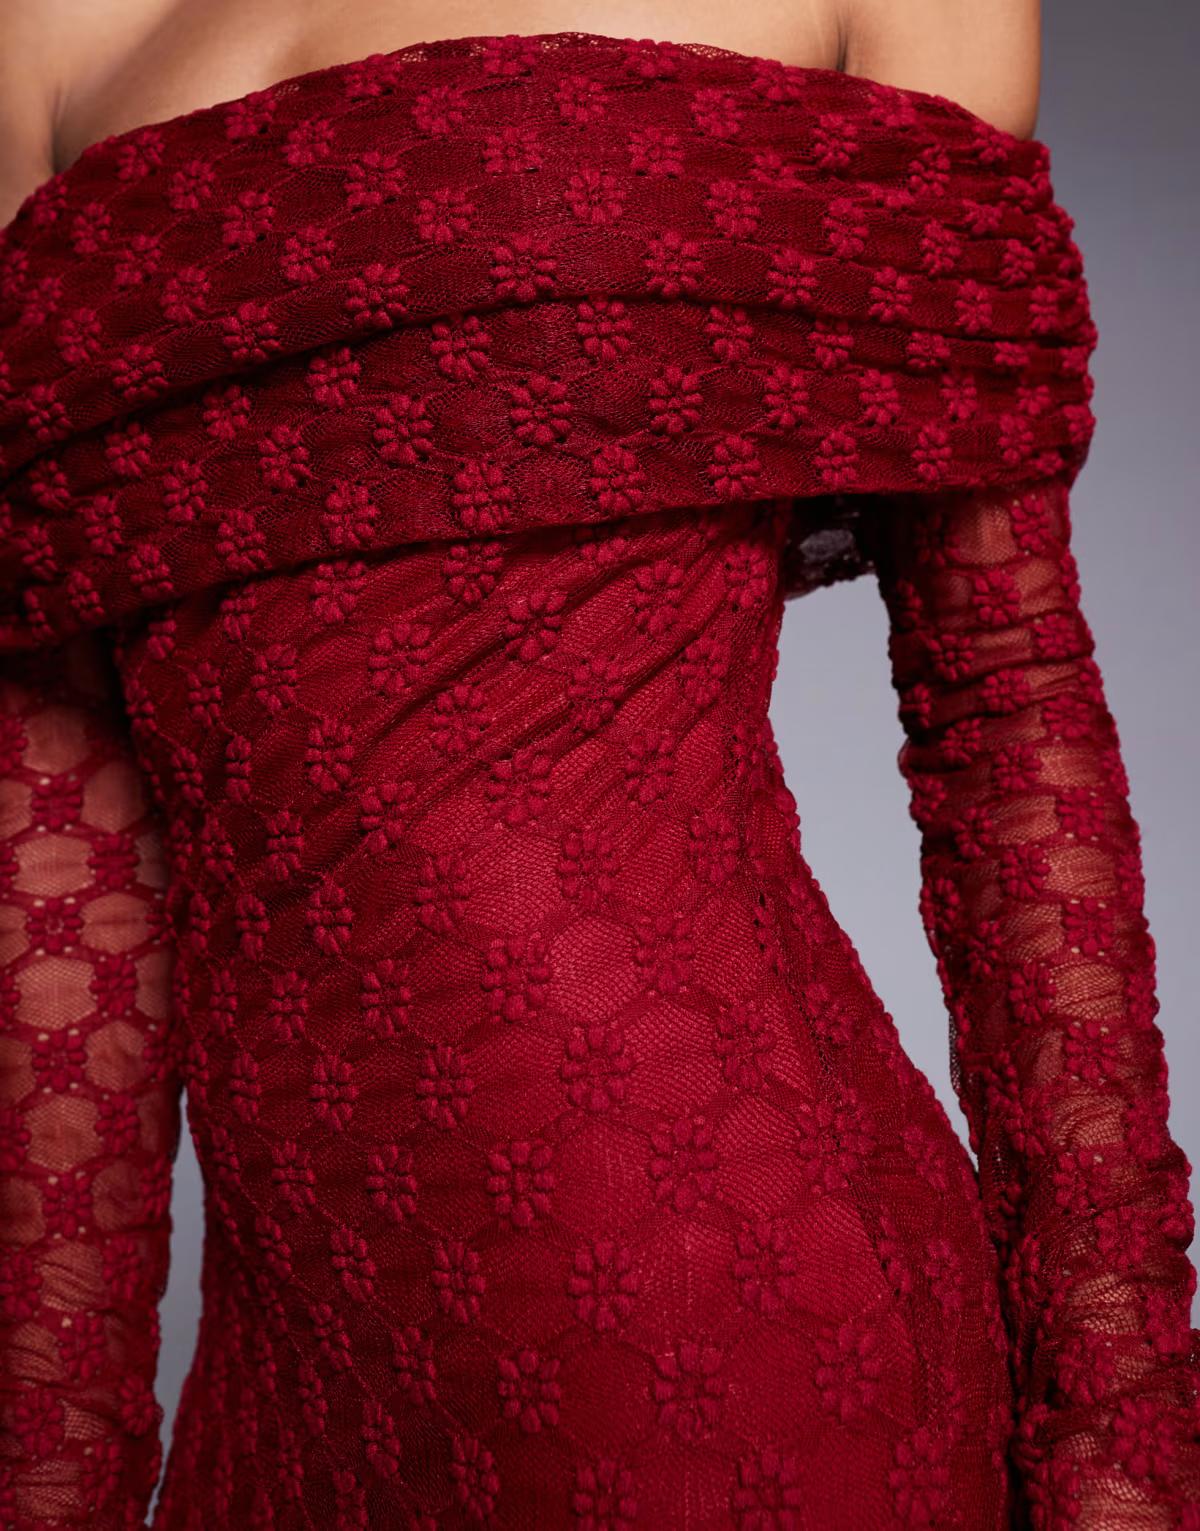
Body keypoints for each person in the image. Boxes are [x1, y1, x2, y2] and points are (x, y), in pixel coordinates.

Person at [0, 7, 1196, 1529]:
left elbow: (1008, 725)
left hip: (716, 1311)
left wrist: (1119, 1445)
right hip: (288, 1375)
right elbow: (63, 876)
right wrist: (51, 1478)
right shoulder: (36, 32)